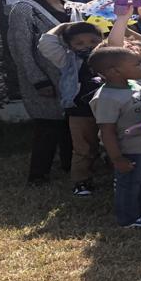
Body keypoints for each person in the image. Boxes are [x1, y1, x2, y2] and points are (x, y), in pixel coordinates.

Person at [89, 7, 141, 228]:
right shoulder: (107, 96)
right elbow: (106, 131)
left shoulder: (135, 81)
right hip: (129, 148)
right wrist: (117, 158)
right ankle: (129, 218)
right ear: (115, 71)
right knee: (130, 183)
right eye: (135, 62)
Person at [7, 0, 78, 185]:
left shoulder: (73, 8)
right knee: (48, 126)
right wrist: (38, 80)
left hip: (73, 75)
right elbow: (20, 48)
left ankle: (69, 166)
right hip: (45, 76)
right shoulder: (25, 9)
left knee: (72, 122)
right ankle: (38, 175)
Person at [37, 19, 105, 196]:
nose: (87, 46)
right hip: (80, 109)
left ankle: (118, 177)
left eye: (93, 41)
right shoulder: (67, 59)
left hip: (110, 107)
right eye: (79, 43)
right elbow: (46, 43)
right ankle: (82, 181)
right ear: (69, 45)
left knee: (115, 143)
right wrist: (63, 27)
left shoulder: (110, 56)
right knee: (83, 147)